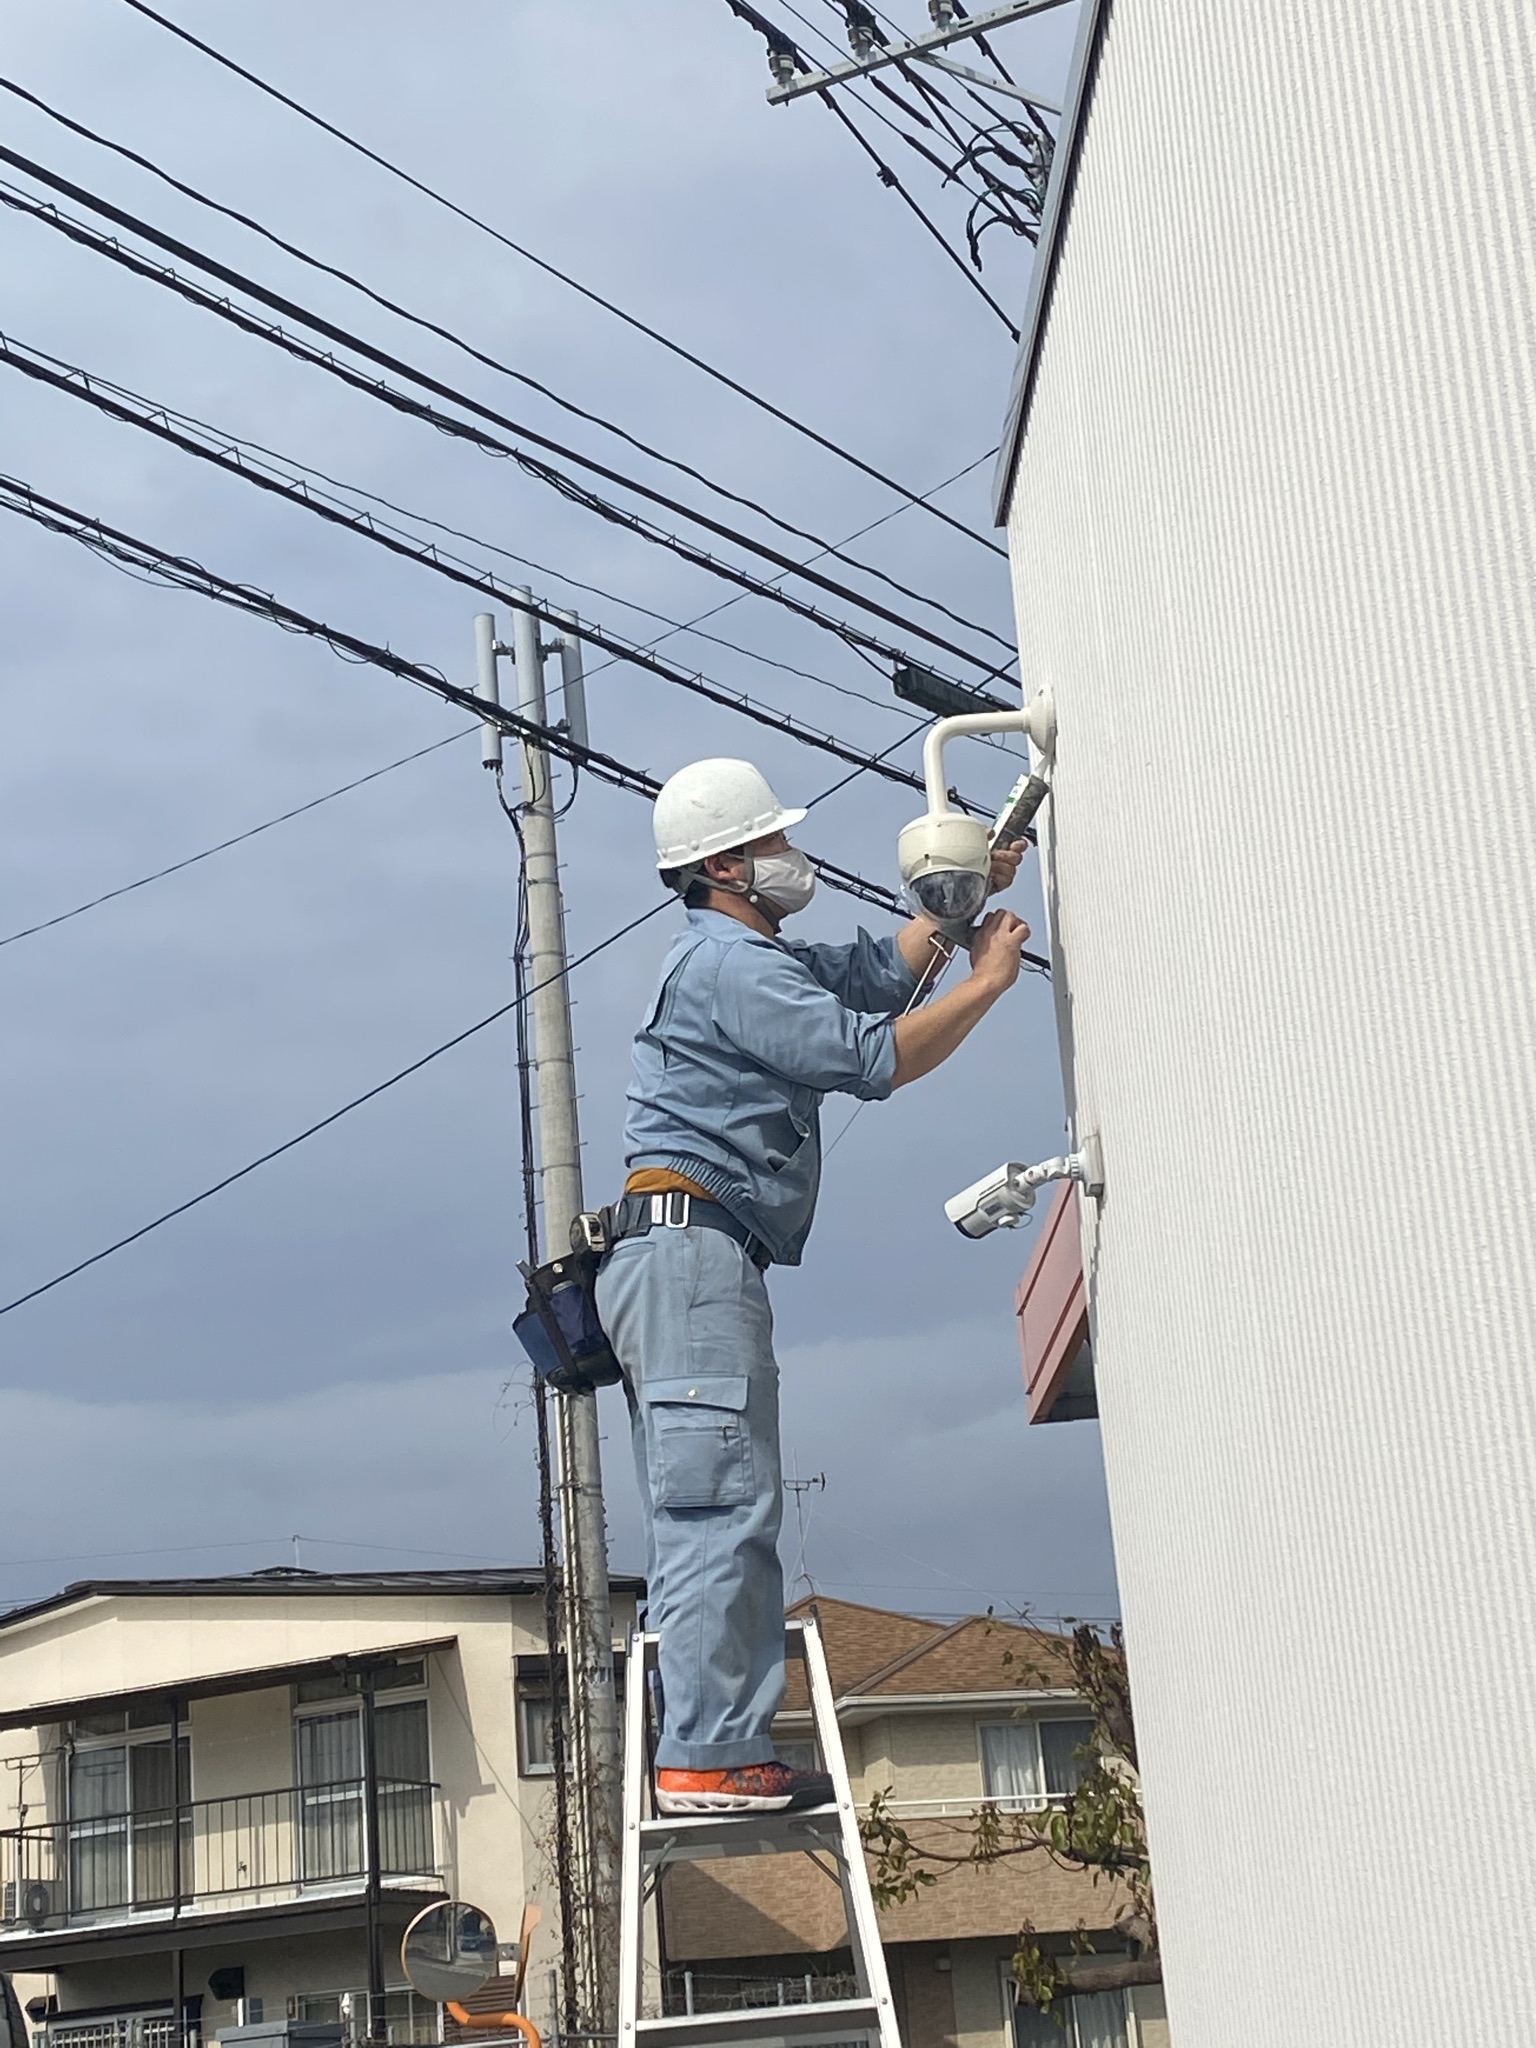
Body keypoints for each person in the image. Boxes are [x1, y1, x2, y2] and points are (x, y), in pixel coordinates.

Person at [595, 758, 1030, 1814]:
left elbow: (880, 971)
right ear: (728, 862)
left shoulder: (748, 956)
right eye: (774, 841)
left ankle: (714, 1743)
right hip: (693, 1255)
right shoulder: (727, 969)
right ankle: (705, 1753)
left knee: (718, 1501)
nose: (793, 857)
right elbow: (869, 1051)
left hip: (686, 1255)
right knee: (717, 1510)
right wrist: (986, 982)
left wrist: (963, 893)